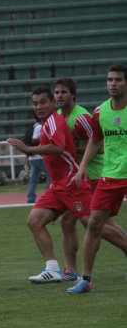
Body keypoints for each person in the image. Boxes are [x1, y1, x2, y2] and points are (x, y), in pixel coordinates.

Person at [7, 87, 121, 284]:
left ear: (52, 103)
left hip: (72, 183)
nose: (39, 107)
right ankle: (53, 269)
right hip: (59, 186)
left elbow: (58, 147)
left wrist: (28, 148)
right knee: (35, 221)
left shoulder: (55, 121)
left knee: (94, 225)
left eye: (43, 102)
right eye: (35, 103)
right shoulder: (48, 122)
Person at [54, 77, 127, 282]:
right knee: (69, 220)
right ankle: (71, 270)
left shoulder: (82, 118)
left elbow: (98, 144)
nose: (59, 96)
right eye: (57, 92)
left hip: (95, 174)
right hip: (80, 176)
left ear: (73, 95)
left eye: (63, 92)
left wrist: (73, 156)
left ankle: (75, 272)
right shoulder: (59, 116)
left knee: (94, 223)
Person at [24, 118, 51, 204]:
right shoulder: (39, 127)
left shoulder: (35, 126)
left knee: (33, 179)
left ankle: (30, 199)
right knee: (50, 175)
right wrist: (45, 138)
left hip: (33, 157)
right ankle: (48, 196)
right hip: (39, 156)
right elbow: (34, 139)